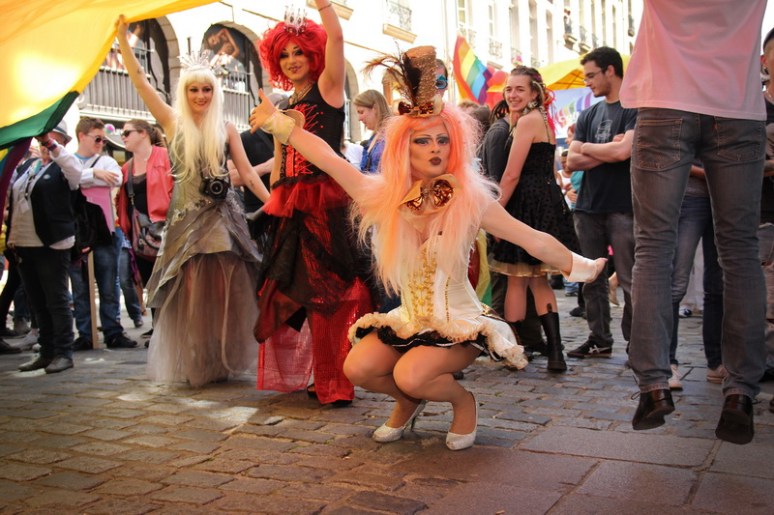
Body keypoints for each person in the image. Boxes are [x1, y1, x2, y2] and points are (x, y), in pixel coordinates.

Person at [249, 45, 605, 450]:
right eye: (423, 141)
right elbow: (331, 160)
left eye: (442, 140)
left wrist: (580, 265)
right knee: (359, 368)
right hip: (411, 319)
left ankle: (462, 402)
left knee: (412, 373)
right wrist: (281, 126)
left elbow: (531, 237)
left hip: (458, 324)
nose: (435, 148)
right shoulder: (381, 195)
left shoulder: (470, 200)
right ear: (405, 148)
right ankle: (408, 404)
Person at [621, 1, 767, 445]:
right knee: (740, 250)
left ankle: (653, 386)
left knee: (653, 248)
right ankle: (740, 391)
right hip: (737, 106)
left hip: (666, 104)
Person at [116, 14, 271, 386]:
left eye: (207, 90)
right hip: (187, 226)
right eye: (193, 90)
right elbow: (140, 81)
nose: (201, 96)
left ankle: (219, 360)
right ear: (184, 93)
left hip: (225, 223)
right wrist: (123, 40)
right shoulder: (172, 123)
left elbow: (248, 173)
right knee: (189, 296)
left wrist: (275, 203)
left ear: (215, 92)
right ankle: (195, 361)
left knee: (225, 295)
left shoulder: (227, 127)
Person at [253, 1, 374, 406]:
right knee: (296, 293)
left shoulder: (329, 89)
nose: (291, 60)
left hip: (327, 201)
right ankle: (320, 373)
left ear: (313, 53)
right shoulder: (284, 106)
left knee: (330, 293)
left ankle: (335, 380)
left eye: (298, 51)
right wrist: (270, 202)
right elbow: (279, 162)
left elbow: (338, 37)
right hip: (290, 205)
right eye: (284, 54)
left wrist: (323, 6)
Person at [491, 66, 580, 372]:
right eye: (508, 89)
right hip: (545, 200)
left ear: (534, 93)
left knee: (517, 281)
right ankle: (556, 353)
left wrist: (496, 214)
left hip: (525, 203)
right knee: (538, 281)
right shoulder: (542, 119)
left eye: (519, 89)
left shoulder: (528, 121)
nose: (512, 94)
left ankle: (516, 352)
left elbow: (512, 173)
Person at [565, 46, 636, 359]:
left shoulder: (633, 108)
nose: (588, 82)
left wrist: (587, 149)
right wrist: (609, 148)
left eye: (592, 75)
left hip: (624, 207)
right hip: (588, 207)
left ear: (611, 70)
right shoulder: (589, 114)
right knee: (590, 279)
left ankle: (638, 344)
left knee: (631, 280)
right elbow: (571, 162)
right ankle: (599, 338)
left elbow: (625, 154)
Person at [8, 123, 83, 373]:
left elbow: (77, 173)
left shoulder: (64, 166)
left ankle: (63, 352)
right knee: (37, 301)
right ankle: (46, 351)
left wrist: (52, 146)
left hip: (52, 243)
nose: (45, 144)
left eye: (51, 140)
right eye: (42, 140)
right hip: (24, 242)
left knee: (56, 299)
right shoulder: (29, 166)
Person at [68, 117, 138, 351]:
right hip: (77, 234)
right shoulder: (69, 161)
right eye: (97, 139)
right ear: (82, 136)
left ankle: (113, 331)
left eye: (102, 139)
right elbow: (69, 179)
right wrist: (95, 175)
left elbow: (117, 178)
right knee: (80, 289)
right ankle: (85, 334)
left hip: (106, 231)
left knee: (109, 286)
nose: (100, 143)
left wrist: (90, 176)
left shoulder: (107, 161)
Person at [116, 119, 174, 339]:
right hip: (140, 233)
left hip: (166, 228)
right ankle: (159, 329)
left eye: (127, 132)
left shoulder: (165, 157)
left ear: (143, 134)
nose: (123, 137)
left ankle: (169, 329)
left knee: (167, 282)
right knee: (149, 282)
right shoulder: (126, 167)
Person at [353, 89, 392, 173]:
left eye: (361, 112)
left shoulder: (391, 134)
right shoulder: (375, 136)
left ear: (375, 108)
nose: (359, 118)